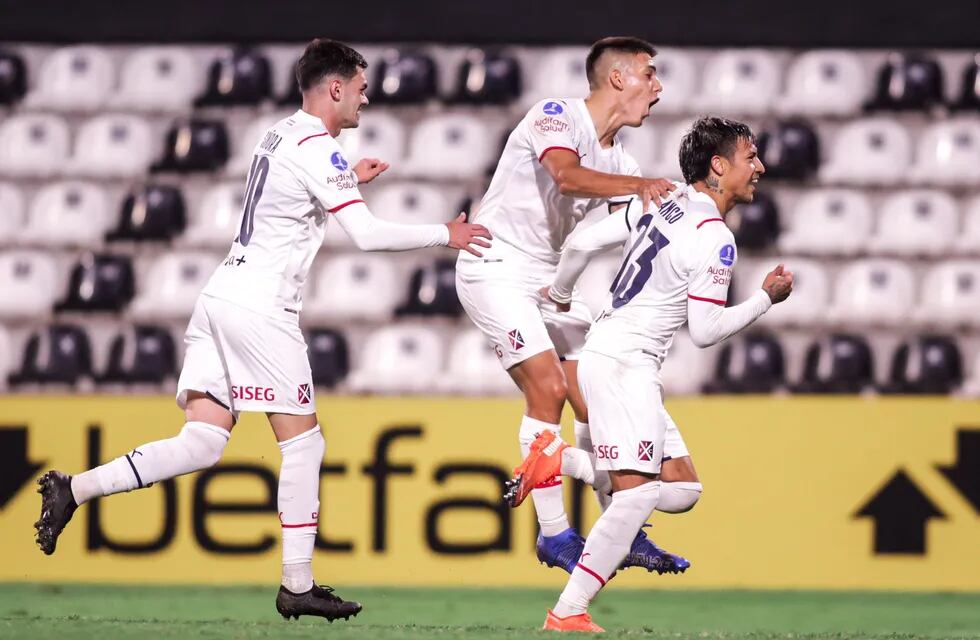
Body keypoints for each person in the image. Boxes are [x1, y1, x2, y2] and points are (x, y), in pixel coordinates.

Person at [33, 38, 491, 623]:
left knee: (201, 443)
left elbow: (285, 205)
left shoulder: (278, 132)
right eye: (360, 87)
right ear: (335, 87)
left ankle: (74, 489)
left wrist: (345, 180)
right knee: (304, 442)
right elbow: (370, 237)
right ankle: (297, 583)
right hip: (260, 309)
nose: (365, 98)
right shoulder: (317, 146)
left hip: (220, 296)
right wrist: (443, 235)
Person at [509, 116, 793, 632]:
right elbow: (705, 332)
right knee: (636, 495)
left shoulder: (659, 199)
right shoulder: (715, 238)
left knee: (683, 490)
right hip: (627, 367)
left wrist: (561, 293)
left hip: (609, 355)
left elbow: (580, 244)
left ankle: (561, 461)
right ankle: (569, 610)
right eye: (750, 157)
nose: (760, 167)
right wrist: (765, 300)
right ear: (719, 165)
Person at [455, 36, 687, 575]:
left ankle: (622, 529)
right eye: (649, 74)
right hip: (494, 264)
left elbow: (637, 220)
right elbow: (566, 174)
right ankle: (555, 535)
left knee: (596, 400)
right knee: (548, 386)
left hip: (546, 277)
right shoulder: (556, 115)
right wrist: (641, 186)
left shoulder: (617, 156)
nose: (658, 88)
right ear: (617, 79)